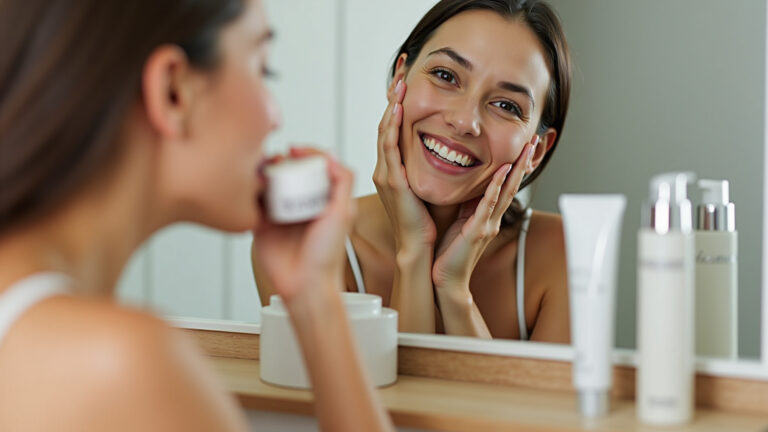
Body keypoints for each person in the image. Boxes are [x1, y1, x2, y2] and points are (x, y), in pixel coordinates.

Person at [0, 0, 393, 431]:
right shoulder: (122, 366)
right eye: (263, 69)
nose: (274, 116)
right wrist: (322, 311)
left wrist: (314, 296)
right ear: (173, 90)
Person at [265, 0, 571, 342]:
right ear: (400, 78)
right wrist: (412, 251)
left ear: (536, 151)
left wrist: (454, 291)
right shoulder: (308, 243)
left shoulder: (564, 256)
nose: (463, 121)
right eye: (445, 76)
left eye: (506, 105)